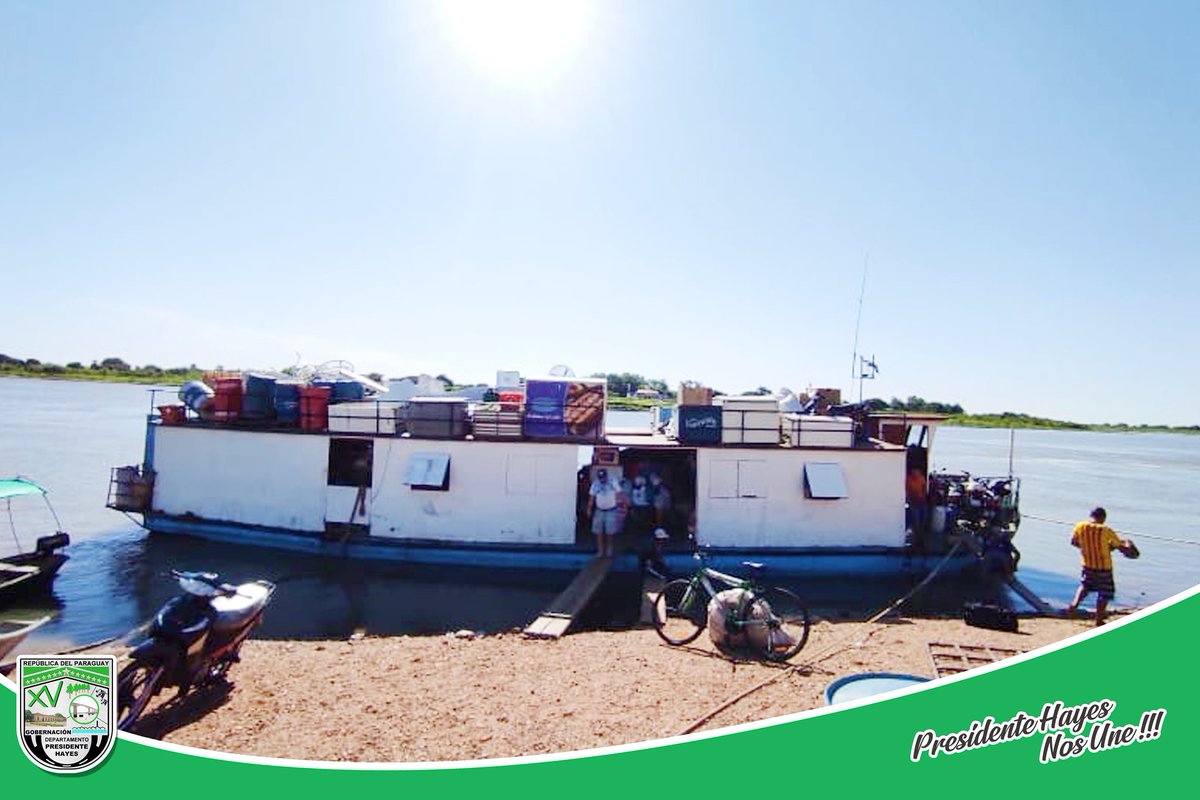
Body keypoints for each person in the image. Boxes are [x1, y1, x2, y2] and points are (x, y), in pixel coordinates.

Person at [1065, 507, 1135, 626]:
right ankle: (1099, 619)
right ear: (1103, 518)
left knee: (1085, 586)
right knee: (1105, 592)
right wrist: (1129, 544)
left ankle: (1073, 605)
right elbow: (1121, 548)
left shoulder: (1080, 526)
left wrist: (1087, 548)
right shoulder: (1106, 530)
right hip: (1104, 566)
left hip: (1087, 564)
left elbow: (1074, 542)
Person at [587, 468, 624, 557]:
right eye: (600, 477)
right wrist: (589, 508)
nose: (602, 479)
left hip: (611, 510)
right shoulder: (595, 484)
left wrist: (622, 507)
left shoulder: (613, 482)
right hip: (599, 510)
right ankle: (600, 551)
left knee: (610, 532)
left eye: (603, 477)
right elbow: (592, 497)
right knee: (598, 531)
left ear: (606, 476)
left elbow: (620, 494)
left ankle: (609, 549)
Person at [905, 466, 928, 539]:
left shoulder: (921, 478)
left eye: (917, 471)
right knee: (915, 518)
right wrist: (908, 499)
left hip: (921, 501)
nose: (916, 473)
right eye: (914, 471)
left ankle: (922, 533)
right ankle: (916, 534)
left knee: (923, 517)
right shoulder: (908, 479)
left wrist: (924, 496)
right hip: (913, 501)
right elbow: (906, 490)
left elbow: (924, 487)